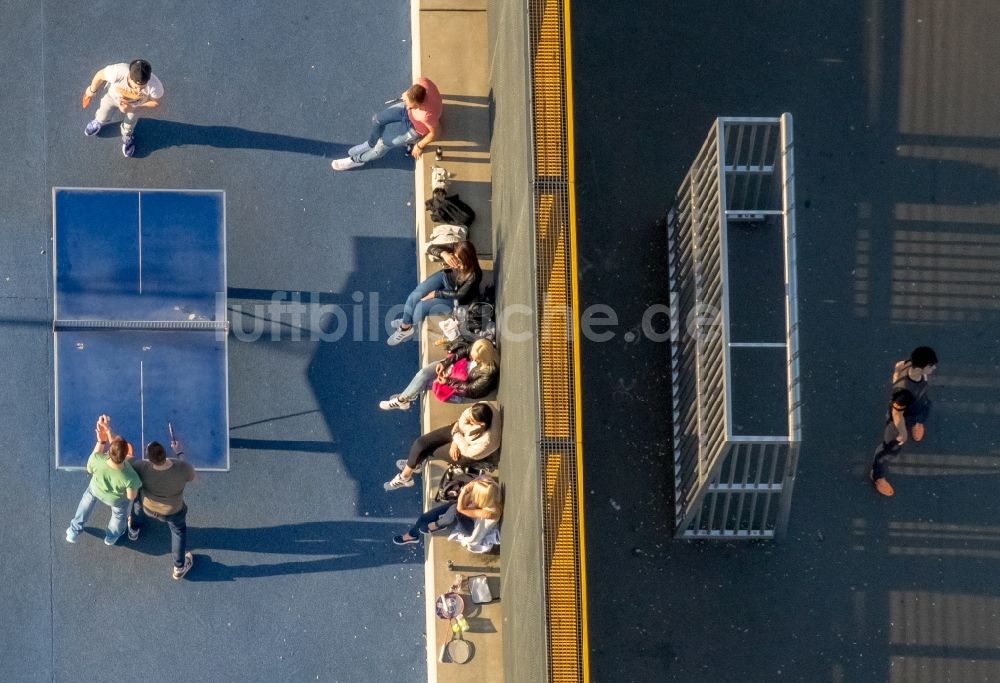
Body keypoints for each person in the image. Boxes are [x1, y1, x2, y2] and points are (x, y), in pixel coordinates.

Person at [385, 402, 502, 490]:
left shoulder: (486, 441)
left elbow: (467, 451)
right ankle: (412, 467)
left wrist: (456, 438)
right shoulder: (482, 406)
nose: (469, 419)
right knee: (420, 444)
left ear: (480, 424)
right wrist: (455, 442)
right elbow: (463, 418)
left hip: (467, 453)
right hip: (459, 434)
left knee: (429, 450)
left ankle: (405, 476)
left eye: (472, 421)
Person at [331, 77, 442, 171]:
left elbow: (436, 133)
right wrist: (406, 96)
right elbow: (409, 101)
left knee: (382, 145)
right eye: (407, 101)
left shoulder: (426, 116)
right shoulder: (421, 81)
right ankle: (370, 143)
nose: (408, 106)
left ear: (420, 104)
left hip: (413, 128)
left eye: (412, 106)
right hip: (408, 113)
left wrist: (419, 145)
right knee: (377, 120)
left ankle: (356, 160)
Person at [387, 241, 482, 346]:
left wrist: (436, 294)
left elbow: (459, 294)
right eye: (455, 259)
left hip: (454, 299)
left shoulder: (474, 275)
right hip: (444, 277)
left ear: (468, 259)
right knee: (413, 297)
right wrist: (444, 254)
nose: (456, 264)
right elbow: (430, 248)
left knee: (419, 308)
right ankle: (405, 326)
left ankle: (406, 324)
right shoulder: (455, 248)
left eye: (460, 261)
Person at [66, 416, 141, 546]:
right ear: (125, 456)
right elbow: (131, 496)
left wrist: (103, 437)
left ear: (109, 451)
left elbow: (90, 468)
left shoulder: (97, 459)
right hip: (114, 500)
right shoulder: (130, 476)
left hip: (95, 489)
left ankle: (73, 531)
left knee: (86, 502)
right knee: (119, 515)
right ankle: (110, 538)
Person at [127, 440, 196, 580]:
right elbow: (193, 477)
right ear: (165, 453)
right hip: (173, 511)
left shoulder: (142, 467)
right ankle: (179, 567)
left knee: (138, 501)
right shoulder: (182, 467)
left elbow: (126, 459)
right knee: (178, 532)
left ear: (149, 459)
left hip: (148, 508)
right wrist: (180, 452)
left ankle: (133, 530)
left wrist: (109, 437)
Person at [379, 337, 500, 410]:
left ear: (483, 358)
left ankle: (402, 399)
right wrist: (445, 363)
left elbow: (470, 390)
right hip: (454, 367)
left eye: (476, 359)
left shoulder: (487, 374)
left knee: (428, 384)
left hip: (458, 385)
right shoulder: (481, 348)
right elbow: (464, 352)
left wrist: (448, 381)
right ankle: (404, 399)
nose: (472, 358)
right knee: (422, 375)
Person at [82, 59, 164, 158]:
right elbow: (100, 75)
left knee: (129, 125)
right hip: (111, 97)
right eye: (136, 86)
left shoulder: (155, 85)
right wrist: (91, 90)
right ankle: (98, 121)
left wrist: (134, 107)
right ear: (129, 77)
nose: (138, 90)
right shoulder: (117, 71)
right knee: (103, 112)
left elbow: (155, 103)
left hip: (136, 105)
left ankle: (127, 136)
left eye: (142, 87)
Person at [393, 476, 502, 547]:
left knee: (455, 509)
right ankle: (412, 535)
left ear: (481, 498)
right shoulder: (492, 491)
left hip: (472, 530)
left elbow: (461, 509)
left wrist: (464, 491)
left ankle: (437, 525)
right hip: (472, 515)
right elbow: (485, 478)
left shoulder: (489, 513)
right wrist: (472, 485)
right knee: (424, 518)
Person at [870, 389, 914, 497]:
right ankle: (877, 476)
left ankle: (878, 472)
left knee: (887, 451)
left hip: (899, 413)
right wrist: (902, 435)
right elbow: (897, 415)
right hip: (895, 431)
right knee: (886, 453)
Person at [890, 346, 937, 444]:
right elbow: (897, 414)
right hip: (911, 405)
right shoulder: (904, 393)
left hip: (918, 394)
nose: (934, 368)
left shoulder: (909, 363)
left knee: (925, 404)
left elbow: (898, 365)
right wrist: (903, 434)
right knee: (916, 412)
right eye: (930, 366)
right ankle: (916, 423)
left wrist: (896, 377)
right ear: (920, 368)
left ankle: (918, 422)